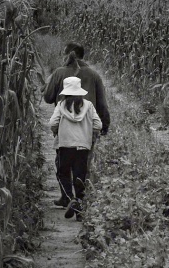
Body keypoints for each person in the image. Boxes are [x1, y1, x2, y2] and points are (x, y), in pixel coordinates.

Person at [43, 41, 110, 208]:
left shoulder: (59, 73)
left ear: (67, 55)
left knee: (63, 165)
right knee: (82, 165)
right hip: (87, 130)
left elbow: (48, 97)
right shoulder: (94, 75)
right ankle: (79, 199)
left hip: (64, 131)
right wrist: (104, 126)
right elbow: (102, 105)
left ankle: (66, 196)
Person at [49, 76, 102, 219]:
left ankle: (70, 198)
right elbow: (98, 125)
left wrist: (56, 131)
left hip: (65, 145)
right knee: (80, 175)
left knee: (63, 173)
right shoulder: (89, 105)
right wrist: (89, 135)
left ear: (66, 91)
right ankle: (79, 204)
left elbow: (53, 123)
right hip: (83, 146)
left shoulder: (61, 105)